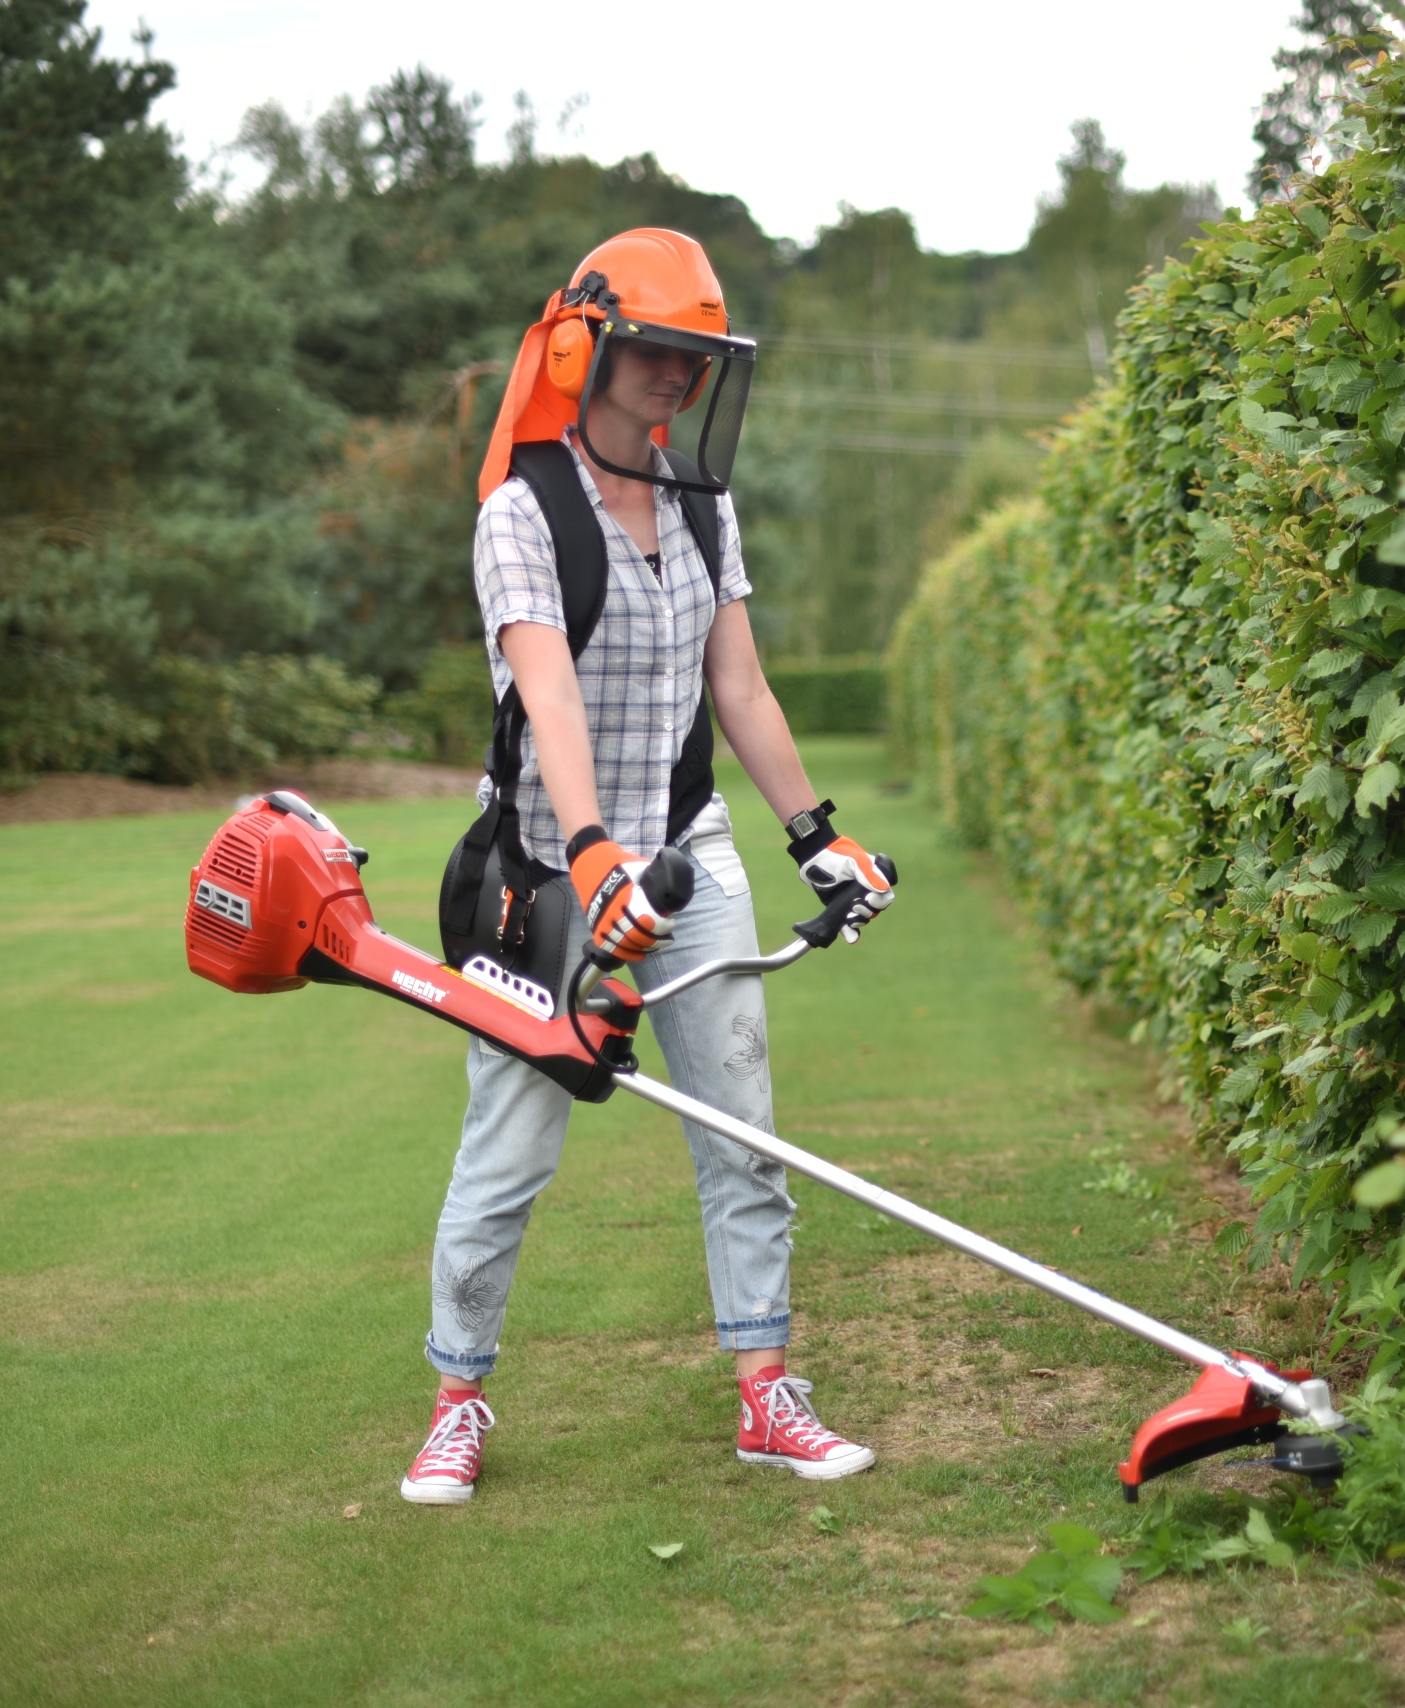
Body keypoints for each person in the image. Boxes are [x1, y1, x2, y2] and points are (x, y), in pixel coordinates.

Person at [399, 229, 896, 1505]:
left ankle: (766, 1395)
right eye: (657, 347)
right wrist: (591, 856)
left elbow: (738, 681)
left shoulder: (700, 505)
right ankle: (457, 1398)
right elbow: (549, 699)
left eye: (697, 354)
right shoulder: (521, 514)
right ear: (588, 347)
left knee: (746, 1138)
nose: (678, 372)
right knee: (508, 1155)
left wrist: (816, 833)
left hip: (690, 852)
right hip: (547, 873)